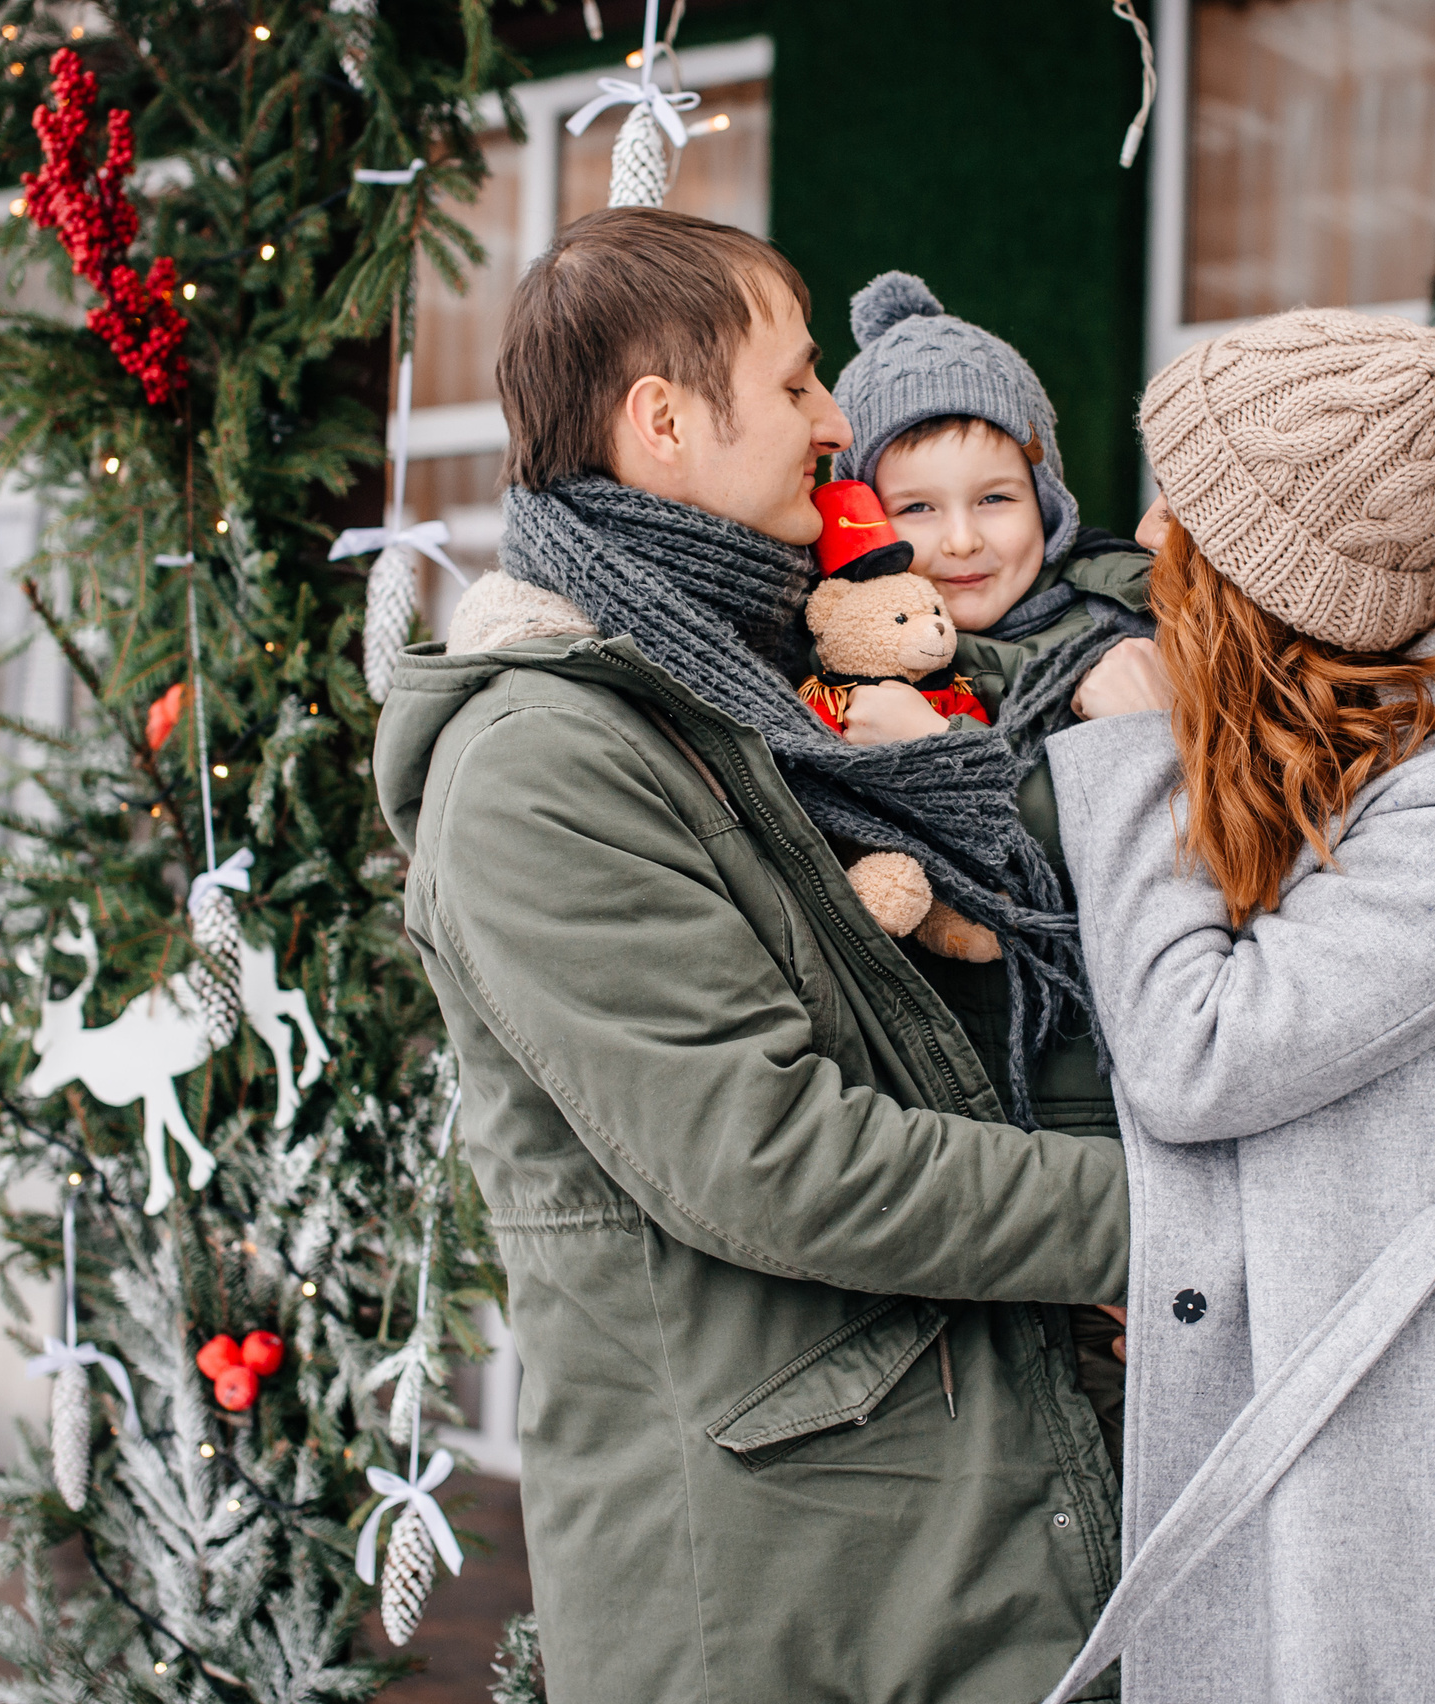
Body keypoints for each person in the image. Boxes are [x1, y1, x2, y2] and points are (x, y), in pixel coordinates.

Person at [373, 208, 1128, 1704]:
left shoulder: (761, 687)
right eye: (794, 386)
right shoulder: (544, 765)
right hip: (780, 1584)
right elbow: (772, 1158)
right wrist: (1179, 1218)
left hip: (923, 1526)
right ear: (662, 422)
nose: (837, 420)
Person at [1033, 309, 1435, 1703]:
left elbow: (1200, 1051)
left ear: (1279, 572)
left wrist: (1125, 755)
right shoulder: (1313, 750)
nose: (1150, 526)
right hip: (1303, 1388)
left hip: (1412, 1427)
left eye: (1190, 502)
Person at [823, 270, 1156, 1460]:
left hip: (1096, 1140)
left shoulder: (1119, 659)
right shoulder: (844, 671)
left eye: (997, 497)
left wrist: (963, 775)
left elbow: (1145, 908)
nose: (961, 541)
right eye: (916, 506)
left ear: (1048, 495)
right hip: (939, 1174)